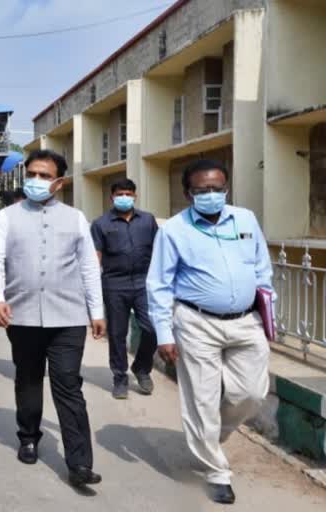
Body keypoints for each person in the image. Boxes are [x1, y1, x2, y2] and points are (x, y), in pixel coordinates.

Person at [146, 159, 272, 505]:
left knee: (252, 394)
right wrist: (164, 334)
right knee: (201, 400)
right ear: (188, 193)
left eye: (218, 188)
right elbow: (158, 284)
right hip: (196, 322)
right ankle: (217, 471)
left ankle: (211, 437)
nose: (212, 195)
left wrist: (266, 308)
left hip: (247, 322)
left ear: (227, 187)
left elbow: (262, 266)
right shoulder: (174, 229)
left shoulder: (245, 219)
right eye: (203, 190)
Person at [0, 149, 106, 488]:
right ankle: (28, 436)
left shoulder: (76, 218)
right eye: (32, 174)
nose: (36, 181)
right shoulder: (7, 217)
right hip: (21, 316)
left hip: (68, 317)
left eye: (44, 176)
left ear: (59, 182)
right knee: (29, 379)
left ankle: (79, 463)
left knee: (68, 384)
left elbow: (88, 268)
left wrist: (96, 311)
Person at [91, 178, 159, 399]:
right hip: (114, 285)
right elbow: (95, 259)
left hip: (144, 283)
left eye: (129, 193)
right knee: (117, 334)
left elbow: (160, 251)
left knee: (152, 328)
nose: (125, 197)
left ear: (135, 196)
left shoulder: (148, 221)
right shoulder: (101, 224)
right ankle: (120, 378)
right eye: (120, 194)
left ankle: (141, 368)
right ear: (112, 197)